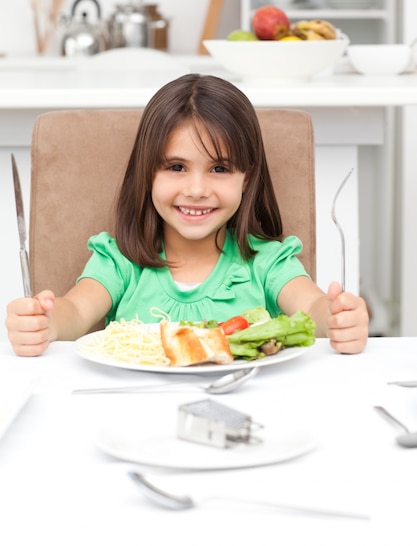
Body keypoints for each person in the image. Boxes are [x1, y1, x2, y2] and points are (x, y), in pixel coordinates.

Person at [6, 73, 368, 357]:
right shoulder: (120, 261)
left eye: (220, 169)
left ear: (248, 178)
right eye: (176, 167)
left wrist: (337, 318)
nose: (196, 189)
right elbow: (75, 312)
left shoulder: (268, 262)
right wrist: (47, 322)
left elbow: (312, 310)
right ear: (147, 173)